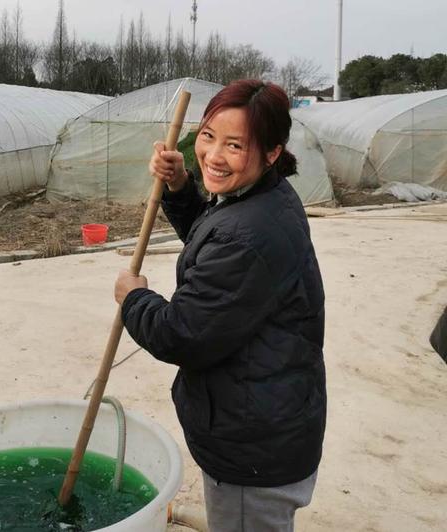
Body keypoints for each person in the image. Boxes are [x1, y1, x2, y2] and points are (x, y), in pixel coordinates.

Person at [114, 80, 326, 532]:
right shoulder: (261, 199)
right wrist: (179, 185)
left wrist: (133, 298)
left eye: (235, 145)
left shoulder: (250, 233)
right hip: (266, 416)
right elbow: (214, 236)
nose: (213, 154)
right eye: (208, 136)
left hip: (253, 443)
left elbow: (183, 333)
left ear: (271, 152)